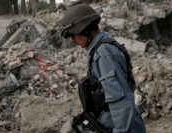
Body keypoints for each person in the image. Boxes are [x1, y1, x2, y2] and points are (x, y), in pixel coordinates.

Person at [61, 4, 146, 133]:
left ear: (86, 30)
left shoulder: (103, 53)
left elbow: (119, 100)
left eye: (73, 34)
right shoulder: (104, 45)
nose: (72, 40)